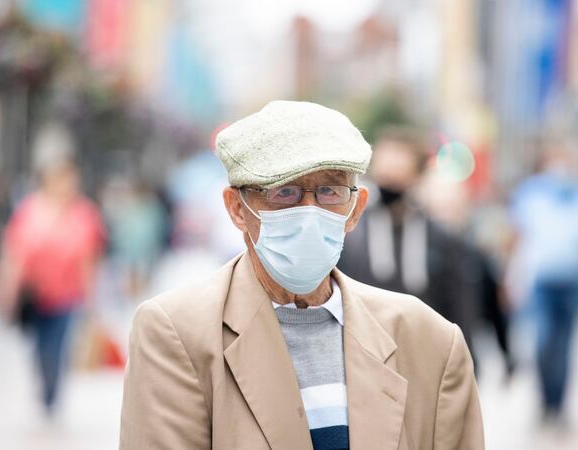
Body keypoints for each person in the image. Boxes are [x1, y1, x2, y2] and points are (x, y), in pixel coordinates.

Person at [120, 101, 483, 449]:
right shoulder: (177, 334)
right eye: (284, 192)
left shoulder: (430, 341)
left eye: (329, 190)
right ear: (237, 208)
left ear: (355, 209)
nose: (309, 211)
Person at [337, 126, 481, 366]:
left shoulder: (440, 239)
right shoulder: (351, 233)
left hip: (422, 356)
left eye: (399, 174)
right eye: (385, 174)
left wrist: (466, 360)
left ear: (416, 177)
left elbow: (459, 304)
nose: (390, 183)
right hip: (363, 356)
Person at [0, 124, 105, 415]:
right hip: (34, 295)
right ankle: (45, 385)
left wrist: (93, 303)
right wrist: (4, 292)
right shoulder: (30, 211)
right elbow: (14, 254)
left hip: (67, 296)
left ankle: (52, 394)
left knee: (57, 348)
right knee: (39, 349)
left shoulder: (84, 214)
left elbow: (89, 260)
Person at [508, 137, 578, 422]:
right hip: (541, 281)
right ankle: (544, 398)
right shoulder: (530, 194)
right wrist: (509, 278)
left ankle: (557, 404)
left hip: (575, 282)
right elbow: (515, 237)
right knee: (543, 342)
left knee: (565, 346)